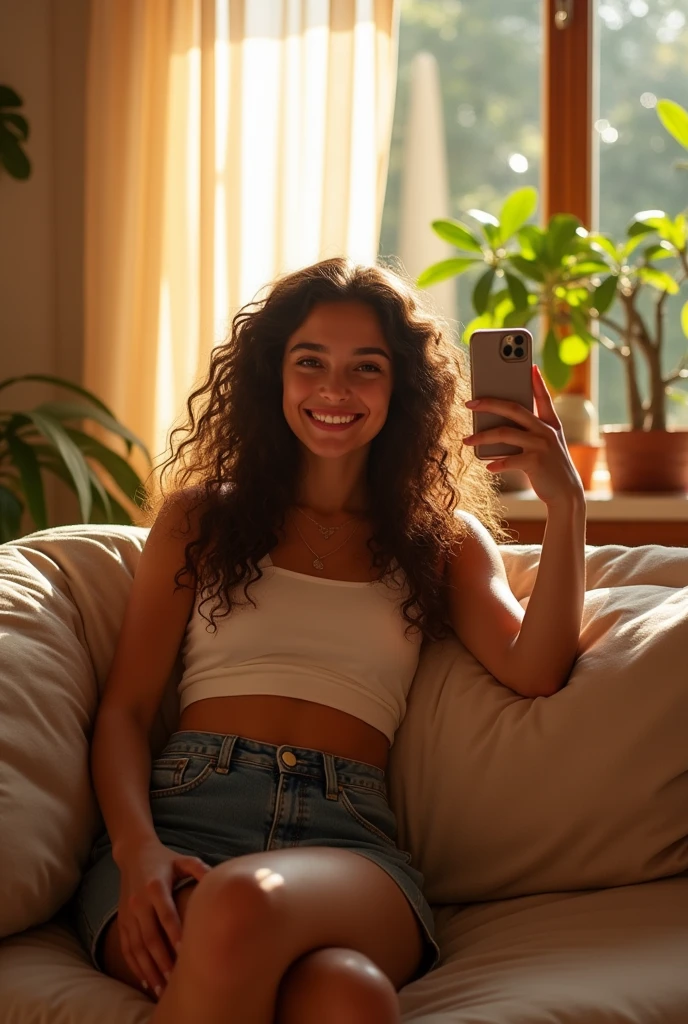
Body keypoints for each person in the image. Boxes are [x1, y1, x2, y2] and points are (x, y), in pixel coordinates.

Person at [71, 257, 586, 1024]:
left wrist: (566, 505)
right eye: (309, 361)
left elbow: (536, 670)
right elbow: (125, 710)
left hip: (349, 839)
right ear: (272, 375)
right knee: (344, 994)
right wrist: (135, 850)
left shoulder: (440, 543)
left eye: (366, 369)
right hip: (183, 826)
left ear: (403, 389)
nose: (334, 390)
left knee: (258, 911)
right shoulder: (199, 521)